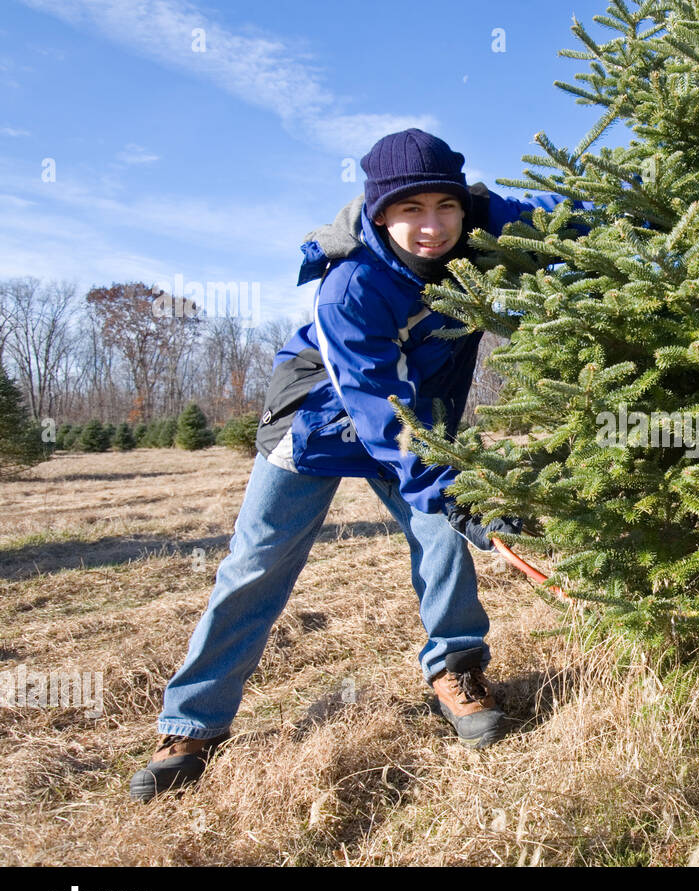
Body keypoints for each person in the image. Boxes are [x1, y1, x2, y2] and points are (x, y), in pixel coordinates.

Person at [130, 129, 585, 802]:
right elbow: (376, 403)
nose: (432, 227)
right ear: (379, 213)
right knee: (256, 565)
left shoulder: (490, 226)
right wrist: (447, 486)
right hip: (321, 417)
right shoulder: (352, 286)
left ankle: (455, 674)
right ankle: (191, 726)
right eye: (411, 211)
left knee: (442, 542)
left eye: (445, 208)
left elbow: (579, 213)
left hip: (416, 414)